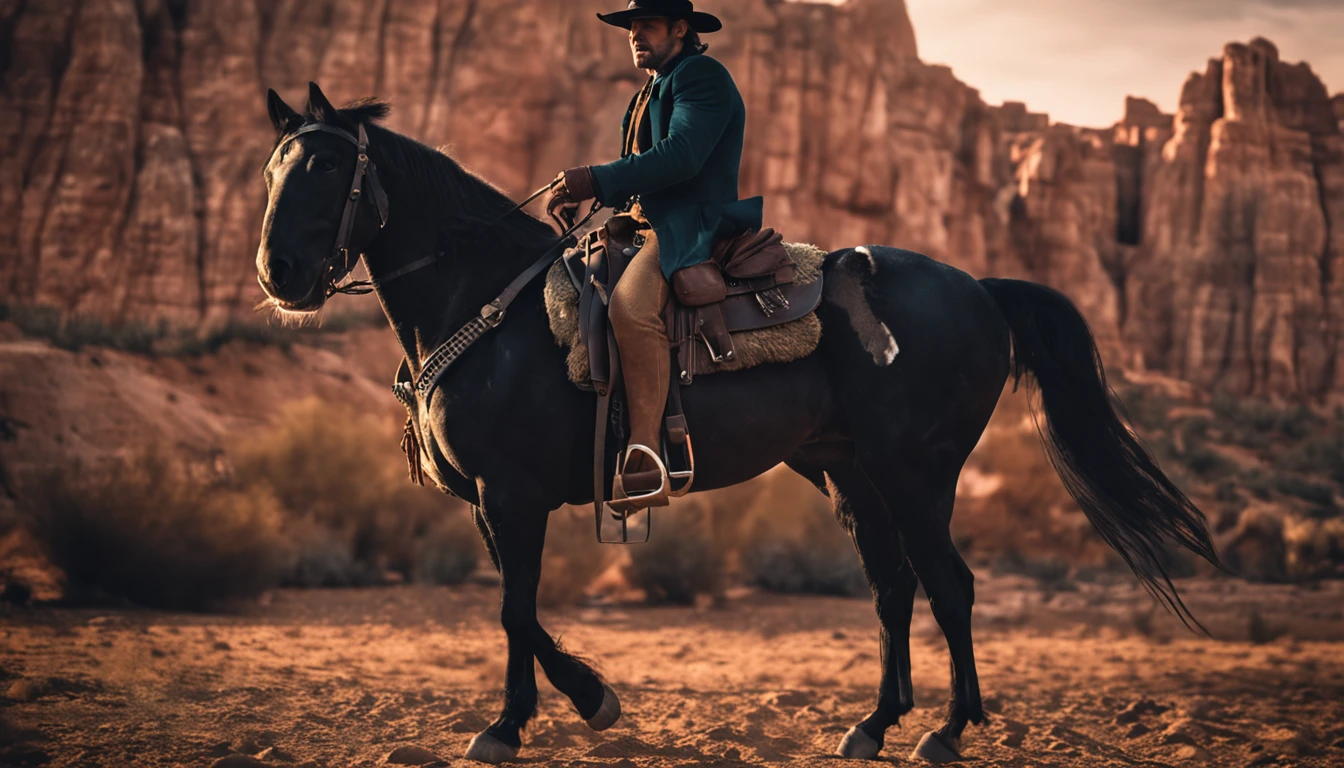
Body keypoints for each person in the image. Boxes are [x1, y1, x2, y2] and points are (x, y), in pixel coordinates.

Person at [547, 0, 763, 511]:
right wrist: (594, 192)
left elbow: (682, 156)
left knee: (629, 308)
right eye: (631, 28)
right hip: (647, 224)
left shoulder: (701, 76)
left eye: (647, 26)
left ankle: (646, 455)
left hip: (691, 224)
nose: (635, 35)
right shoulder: (651, 90)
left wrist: (595, 177)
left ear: (681, 29)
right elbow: (640, 168)